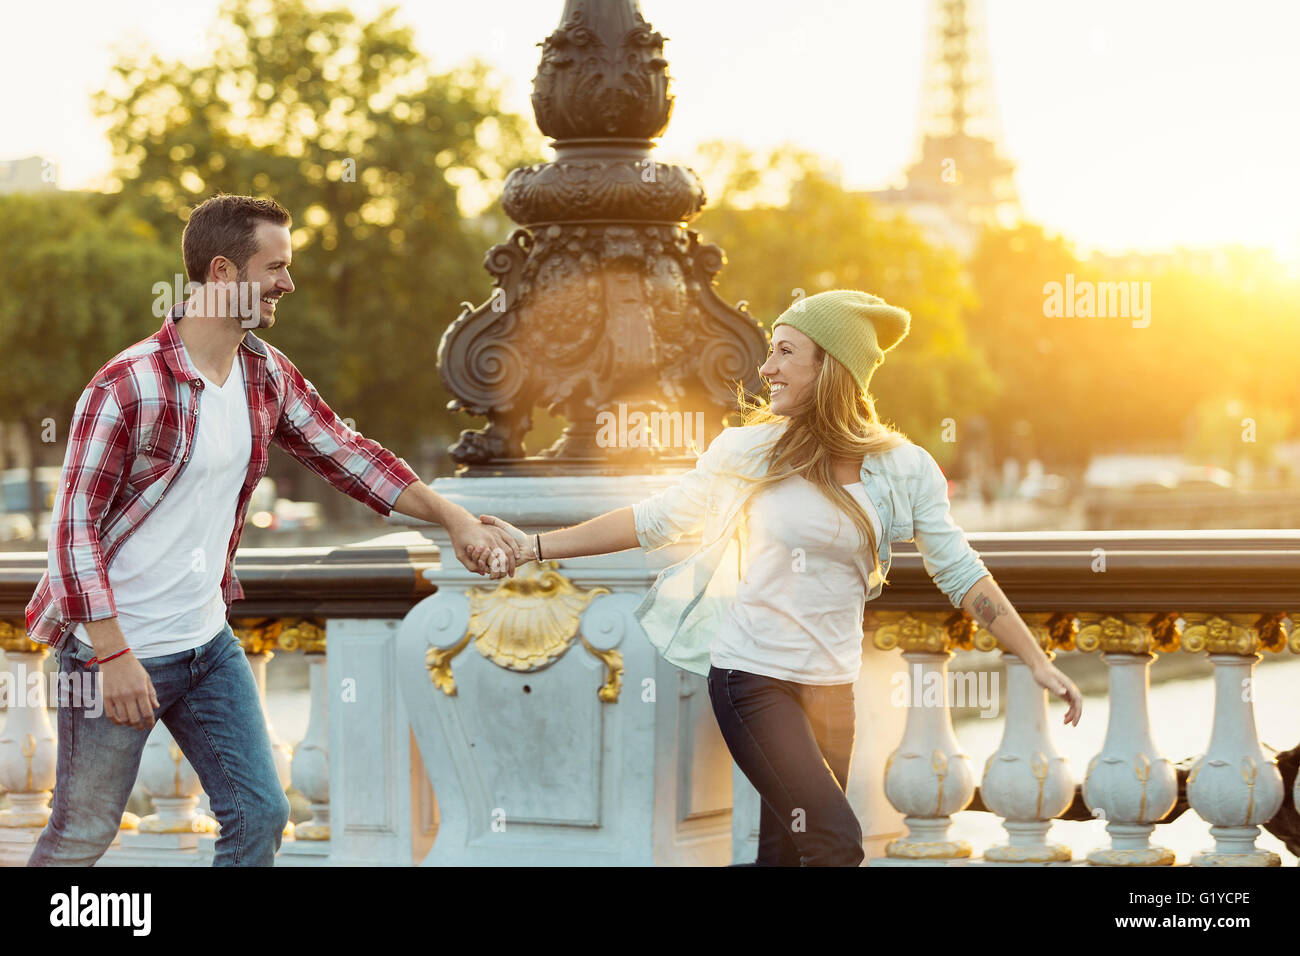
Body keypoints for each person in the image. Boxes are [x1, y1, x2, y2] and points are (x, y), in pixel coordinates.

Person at [474, 289, 1084, 867]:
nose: (766, 368)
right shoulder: (749, 451)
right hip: (753, 680)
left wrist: (1035, 659)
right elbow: (654, 520)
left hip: (832, 690)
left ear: (833, 368)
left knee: (787, 856)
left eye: (785, 351)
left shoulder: (904, 468)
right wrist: (533, 547)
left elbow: (960, 572)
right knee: (836, 842)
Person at [25, 194, 518, 867]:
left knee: (261, 815)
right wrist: (112, 655)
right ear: (224, 274)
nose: (289, 283)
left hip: (206, 646)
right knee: (82, 834)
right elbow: (73, 526)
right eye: (276, 267)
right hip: (112, 652)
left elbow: (350, 455)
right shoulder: (127, 386)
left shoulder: (265, 373)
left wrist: (455, 517)